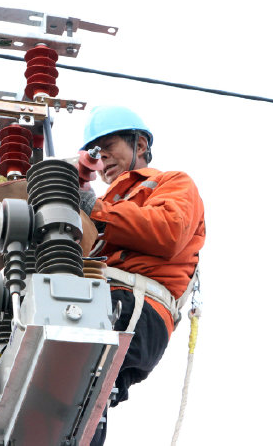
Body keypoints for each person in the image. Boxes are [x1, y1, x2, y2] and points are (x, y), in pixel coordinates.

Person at [77, 107, 206, 445]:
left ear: (140, 145)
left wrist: (95, 211)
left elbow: (169, 230)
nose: (102, 158)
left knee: (80, 390)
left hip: (135, 308)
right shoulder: (103, 203)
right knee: (65, 400)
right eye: (95, 152)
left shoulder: (171, 183)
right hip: (107, 302)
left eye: (109, 147)